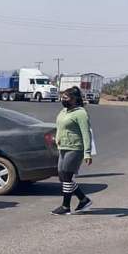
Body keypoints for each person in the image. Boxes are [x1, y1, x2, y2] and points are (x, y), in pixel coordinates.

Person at [52, 86, 94, 215]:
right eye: (62, 97)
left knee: (67, 175)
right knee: (62, 176)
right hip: (63, 147)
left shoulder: (80, 113)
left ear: (74, 99)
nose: (63, 99)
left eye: (66, 97)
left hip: (75, 148)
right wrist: (57, 138)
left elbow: (86, 133)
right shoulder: (64, 111)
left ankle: (66, 206)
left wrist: (87, 153)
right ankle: (83, 199)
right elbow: (59, 126)